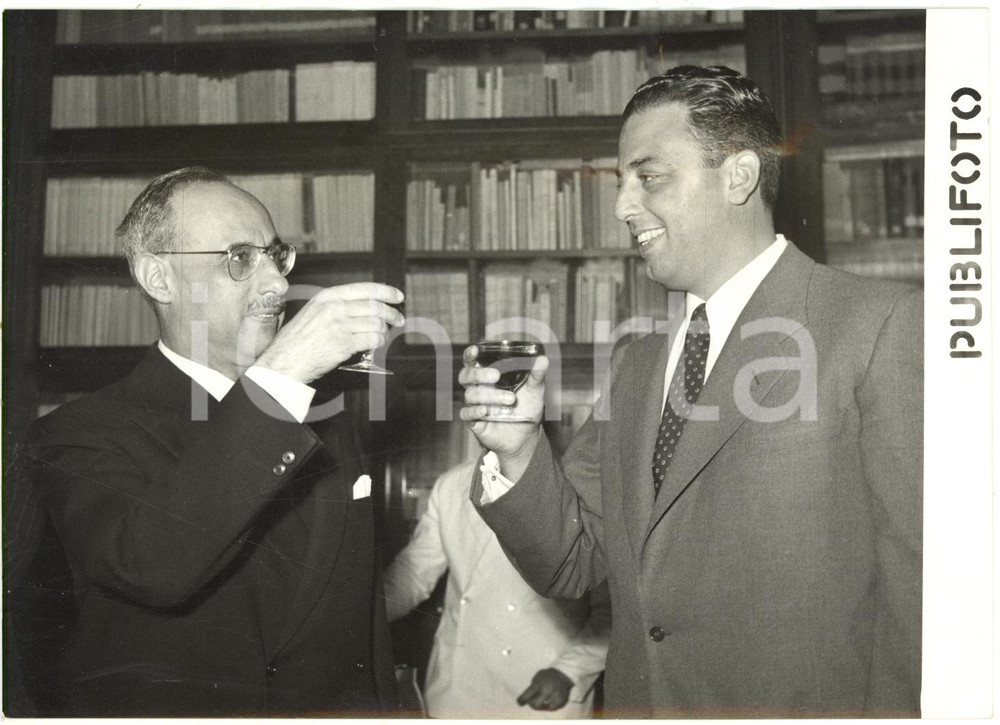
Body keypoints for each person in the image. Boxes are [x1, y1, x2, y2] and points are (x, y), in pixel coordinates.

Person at [458, 66, 922, 718]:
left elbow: (921, 602)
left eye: (648, 177)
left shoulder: (880, 327)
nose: (622, 205)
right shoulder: (637, 365)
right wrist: (516, 450)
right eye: (622, 181)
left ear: (738, 176)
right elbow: (575, 563)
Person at [19, 166, 407, 716]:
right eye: (240, 258)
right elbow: (155, 567)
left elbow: (363, 631)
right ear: (159, 279)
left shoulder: (329, 419)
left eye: (276, 256)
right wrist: (281, 375)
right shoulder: (78, 434)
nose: (277, 284)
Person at [383, 458, 611, 719]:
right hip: (456, 694)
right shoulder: (451, 485)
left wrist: (570, 670)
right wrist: (356, 614)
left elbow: (614, 609)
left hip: (541, 694)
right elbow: (413, 574)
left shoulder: (576, 483)